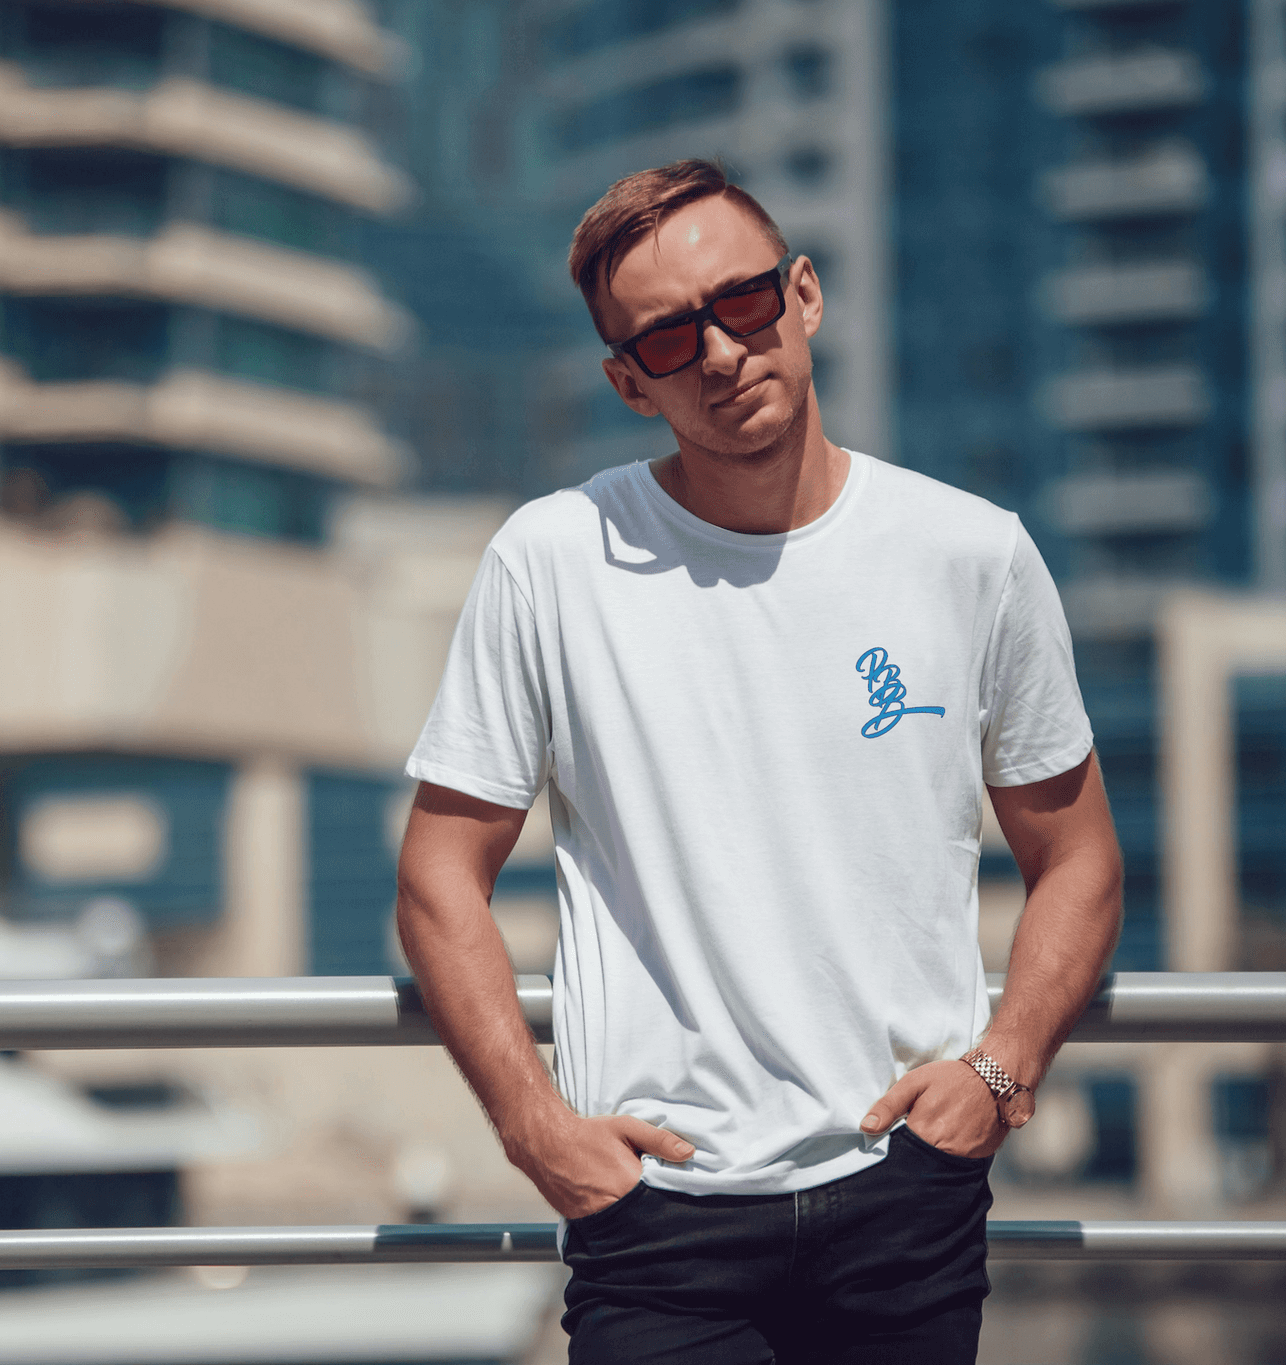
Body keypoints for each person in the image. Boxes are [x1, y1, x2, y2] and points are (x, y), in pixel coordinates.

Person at [394, 159, 1123, 1363]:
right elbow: (437, 877)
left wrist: (996, 1075)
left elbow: (1079, 858)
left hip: (905, 1194)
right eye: (669, 340)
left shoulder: (967, 555)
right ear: (628, 382)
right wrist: (534, 1130)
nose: (722, 354)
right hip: (658, 1217)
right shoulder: (553, 562)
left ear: (802, 296)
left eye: (740, 305)